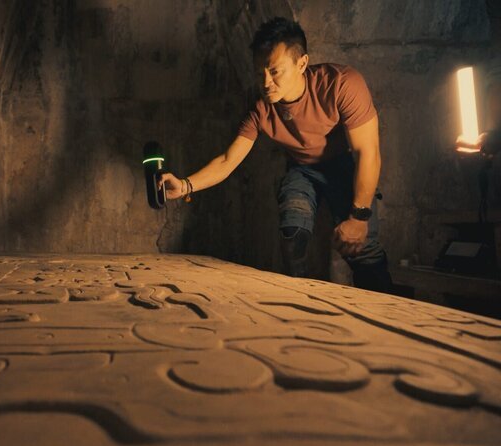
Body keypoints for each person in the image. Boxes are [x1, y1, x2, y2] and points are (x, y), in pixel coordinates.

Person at [159, 17, 393, 293]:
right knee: (293, 236)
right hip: (302, 170)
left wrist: (359, 217)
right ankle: (300, 306)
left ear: (302, 64)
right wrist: (185, 185)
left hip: (344, 167)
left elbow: (369, 152)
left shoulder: (342, 84)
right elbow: (227, 160)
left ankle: (391, 314)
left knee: (363, 251)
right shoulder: (259, 108)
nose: (266, 82)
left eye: (275, 71)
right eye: (260, 73)